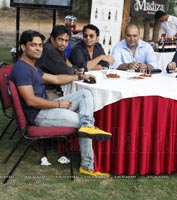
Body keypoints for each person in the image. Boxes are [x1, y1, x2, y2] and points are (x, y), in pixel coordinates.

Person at [11, 30, 112, 177]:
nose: (39, 48)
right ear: (23, 47)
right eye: (33, 45)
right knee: (83, 123)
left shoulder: (32, 66)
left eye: (40, 45)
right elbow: (30, 100)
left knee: (85, 94)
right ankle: (88, 165)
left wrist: (79, 77)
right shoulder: (22, 69)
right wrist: (58, 105)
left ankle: (88, 127)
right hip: (39, 114)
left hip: (45, 106)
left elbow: (56, 79)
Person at [35, 25, 77, 99]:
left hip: (52, 89)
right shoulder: (49, 51)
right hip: (42, 92)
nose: (63, 44)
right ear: (52, 39)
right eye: (60, 39)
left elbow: (68, 65)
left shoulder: (58, 49)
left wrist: (73, 69)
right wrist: (75, 70)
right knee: (75, 101)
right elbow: (67, 73)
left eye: (66, 41)